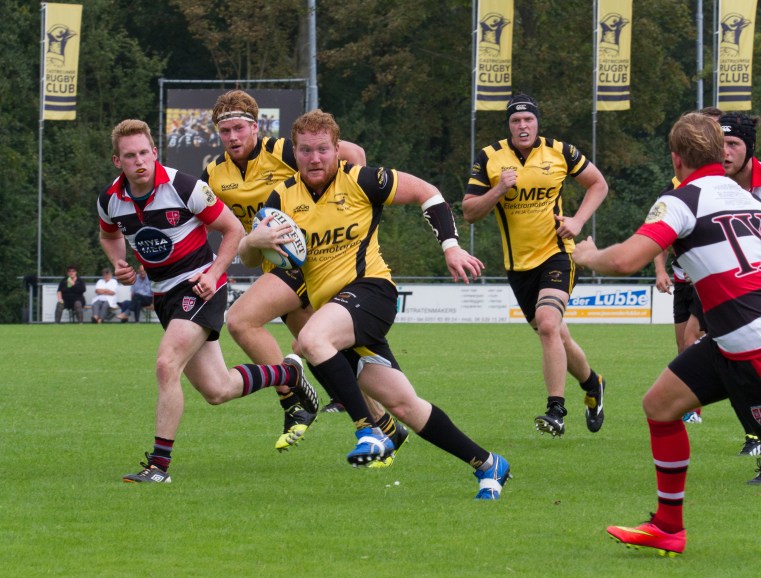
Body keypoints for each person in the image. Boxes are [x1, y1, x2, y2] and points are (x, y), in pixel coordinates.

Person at [239, 109, 510, 499]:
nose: (314, 158)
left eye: (322, 149)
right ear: (294, 153)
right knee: (405, 405)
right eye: (305, 151)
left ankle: (369, 430)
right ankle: (488, 464)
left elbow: (427, 192)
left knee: (310, 339)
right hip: (336, 313)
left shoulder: (362, 180)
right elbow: (252, 258)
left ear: (337, 150)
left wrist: (450, 247)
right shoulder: (281, 197)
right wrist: (253, 241)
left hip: (372, 292)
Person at [573, 112, 761, 556]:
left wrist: (589, 255)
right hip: (731, 339)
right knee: (660, 405)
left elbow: (625, 260)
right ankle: (667, 527)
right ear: (719, 151)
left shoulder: (680, 200)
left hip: (749, 342)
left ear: (676, 158)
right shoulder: (746, 198)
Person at [98, 119, 319, 483]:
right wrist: (119, 262)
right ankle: (288, 373)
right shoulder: (110, 200)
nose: (139, 161)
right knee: (217, 389)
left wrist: (213, 274)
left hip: (199, 287)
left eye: (143, 153)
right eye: (129, 156)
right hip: (164, 296)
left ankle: (159, 467)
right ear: (116, 161)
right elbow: (109, 235)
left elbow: (233, 229)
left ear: (154, 152)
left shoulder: (184, 186)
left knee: (166, 364)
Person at [203, 90, 405, 462]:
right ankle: (384, 428)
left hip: (306, 263)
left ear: (255, 128)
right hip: (273, 266)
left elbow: (355, 155)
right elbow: (200, 215)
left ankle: (294, 396)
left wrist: (348, 205)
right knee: (331, 356)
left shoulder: (283, 150)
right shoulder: (215, 173)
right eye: (225, 131)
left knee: (242, 320)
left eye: (239, 129)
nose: (232, 137)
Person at [462, 93, 608, 437]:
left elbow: (598, 184)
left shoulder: (560, 151)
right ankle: (593, 384)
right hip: (518, 266)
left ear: (537, 122)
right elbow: (469, 212)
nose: (523, 125)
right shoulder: (489, 157)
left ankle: (556, 410)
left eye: (528, 119)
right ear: (509, 126)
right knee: (556, 334)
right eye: (516, 121)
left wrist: (578, 220)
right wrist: (499, 189)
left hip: (557, 253)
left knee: (547, 324)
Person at [718, 111, 761, 456]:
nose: (725, 152)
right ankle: (754, 434)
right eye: (720, 144)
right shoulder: (715, 186)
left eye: (733, 144)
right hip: (732, 293)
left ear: (749, 147)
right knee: (729, 364)